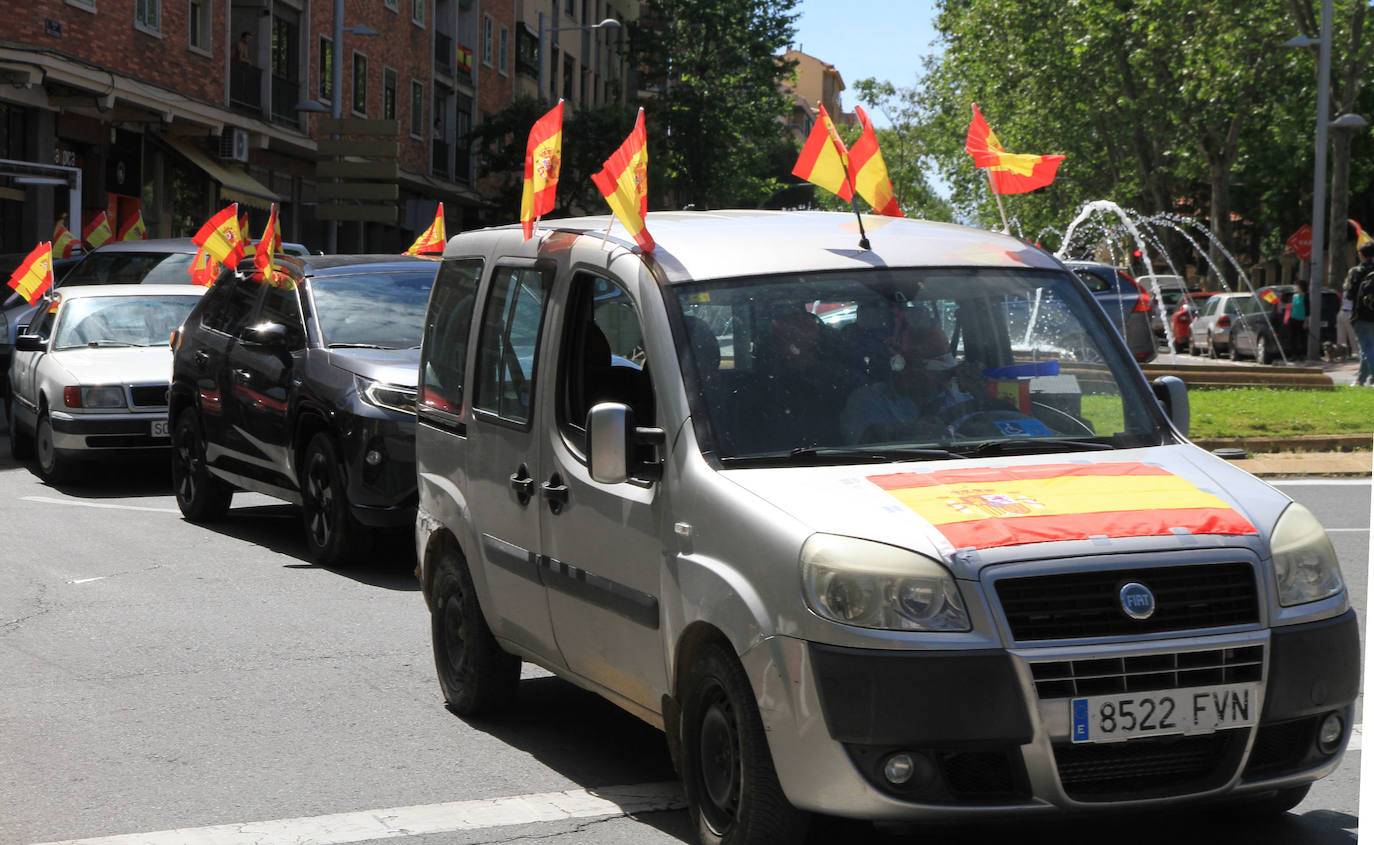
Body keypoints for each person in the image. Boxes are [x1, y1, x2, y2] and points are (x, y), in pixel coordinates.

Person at [840, 322, 973, 443]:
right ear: (904, 366)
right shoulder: (867, 402)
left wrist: (986, 396)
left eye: (949, 371)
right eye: (941, 371)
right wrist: (910, 431)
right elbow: (860, 449)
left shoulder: (966, 403)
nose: (948, 377)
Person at [1346, 241, 1374, 385]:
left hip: (1361, 314)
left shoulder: (1356, 271)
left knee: (1367, 346)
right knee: (1367, 346)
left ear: (1361, 254)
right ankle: (1360, 380)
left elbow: (1349, 295)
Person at [1286, 279, 1308, 360]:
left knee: (1302, 338)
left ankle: (1302, 355)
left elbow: (1308, 309)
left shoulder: (1305, 296)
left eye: (1297, 286)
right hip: (1293, 319)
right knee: (1292, 338)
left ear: (1301, 287)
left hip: (1302, 320)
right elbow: (1291, 306)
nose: (1295, 287)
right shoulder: (1294, 296)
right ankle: (1293, 355)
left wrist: (1306, 321)